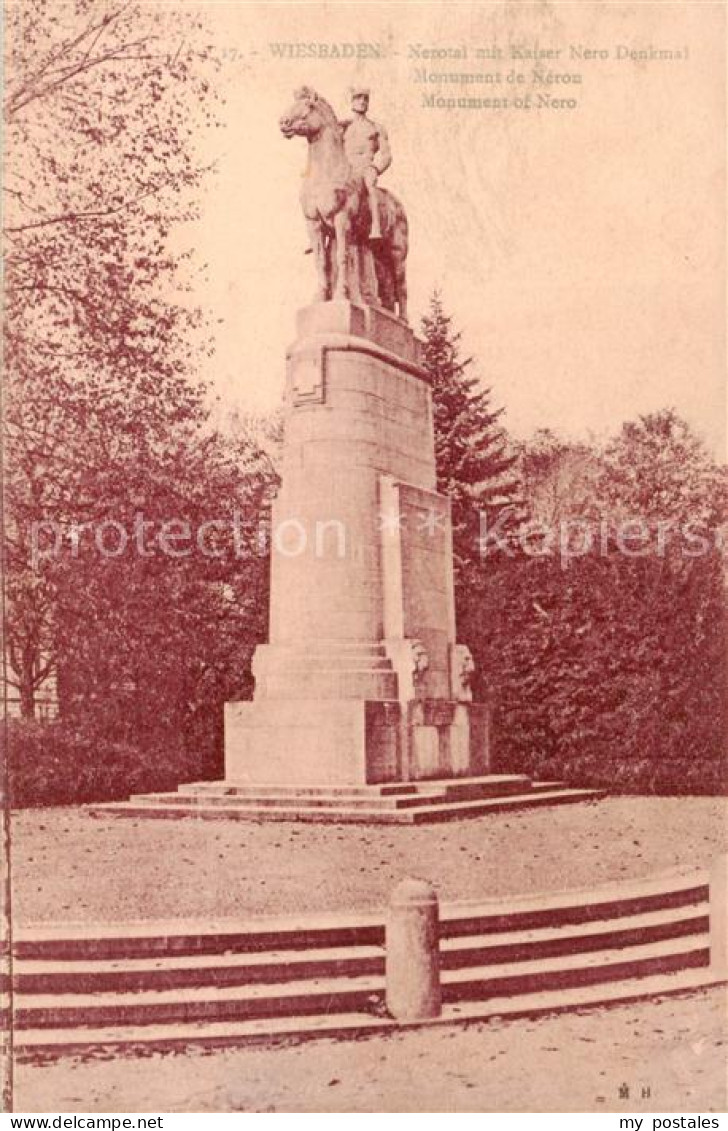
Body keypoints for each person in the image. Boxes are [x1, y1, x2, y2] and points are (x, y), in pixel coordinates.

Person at [341, 86, 391, 241]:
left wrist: (376, 169)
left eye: (365, 98)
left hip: (365, 168)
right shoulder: (343, 127)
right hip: (346, 170)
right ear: (352, 101)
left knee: (370, 185)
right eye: (358, 97)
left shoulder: (376, 128)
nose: (362, 101)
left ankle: (376, 226)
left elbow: (387, 155)